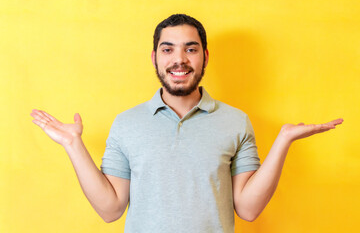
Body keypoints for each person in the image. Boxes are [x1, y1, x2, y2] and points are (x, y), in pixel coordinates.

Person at [31, 14, 343, 233]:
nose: (179, 59)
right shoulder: (126, 124)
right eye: (168, 49)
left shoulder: (236, 122)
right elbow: (110, 209)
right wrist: (73, 145)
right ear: (154, 57)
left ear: (205, 56)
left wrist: (283, 140)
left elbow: (248, 209)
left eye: (190, 49)